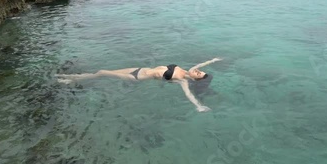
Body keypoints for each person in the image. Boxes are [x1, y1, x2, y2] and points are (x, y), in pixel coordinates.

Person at [56, 58, 222, 112]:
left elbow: (188, 94)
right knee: (102, 72)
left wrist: (198, 106)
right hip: (140, 69)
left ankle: (71, 79)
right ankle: (71, 77)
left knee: (101, 72)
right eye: (199, 71)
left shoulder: (183, 80)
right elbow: (203, 63)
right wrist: (213, 60)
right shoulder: (189, 69)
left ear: (195, 79)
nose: (198, 71)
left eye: (199, 74)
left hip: (137, 78)